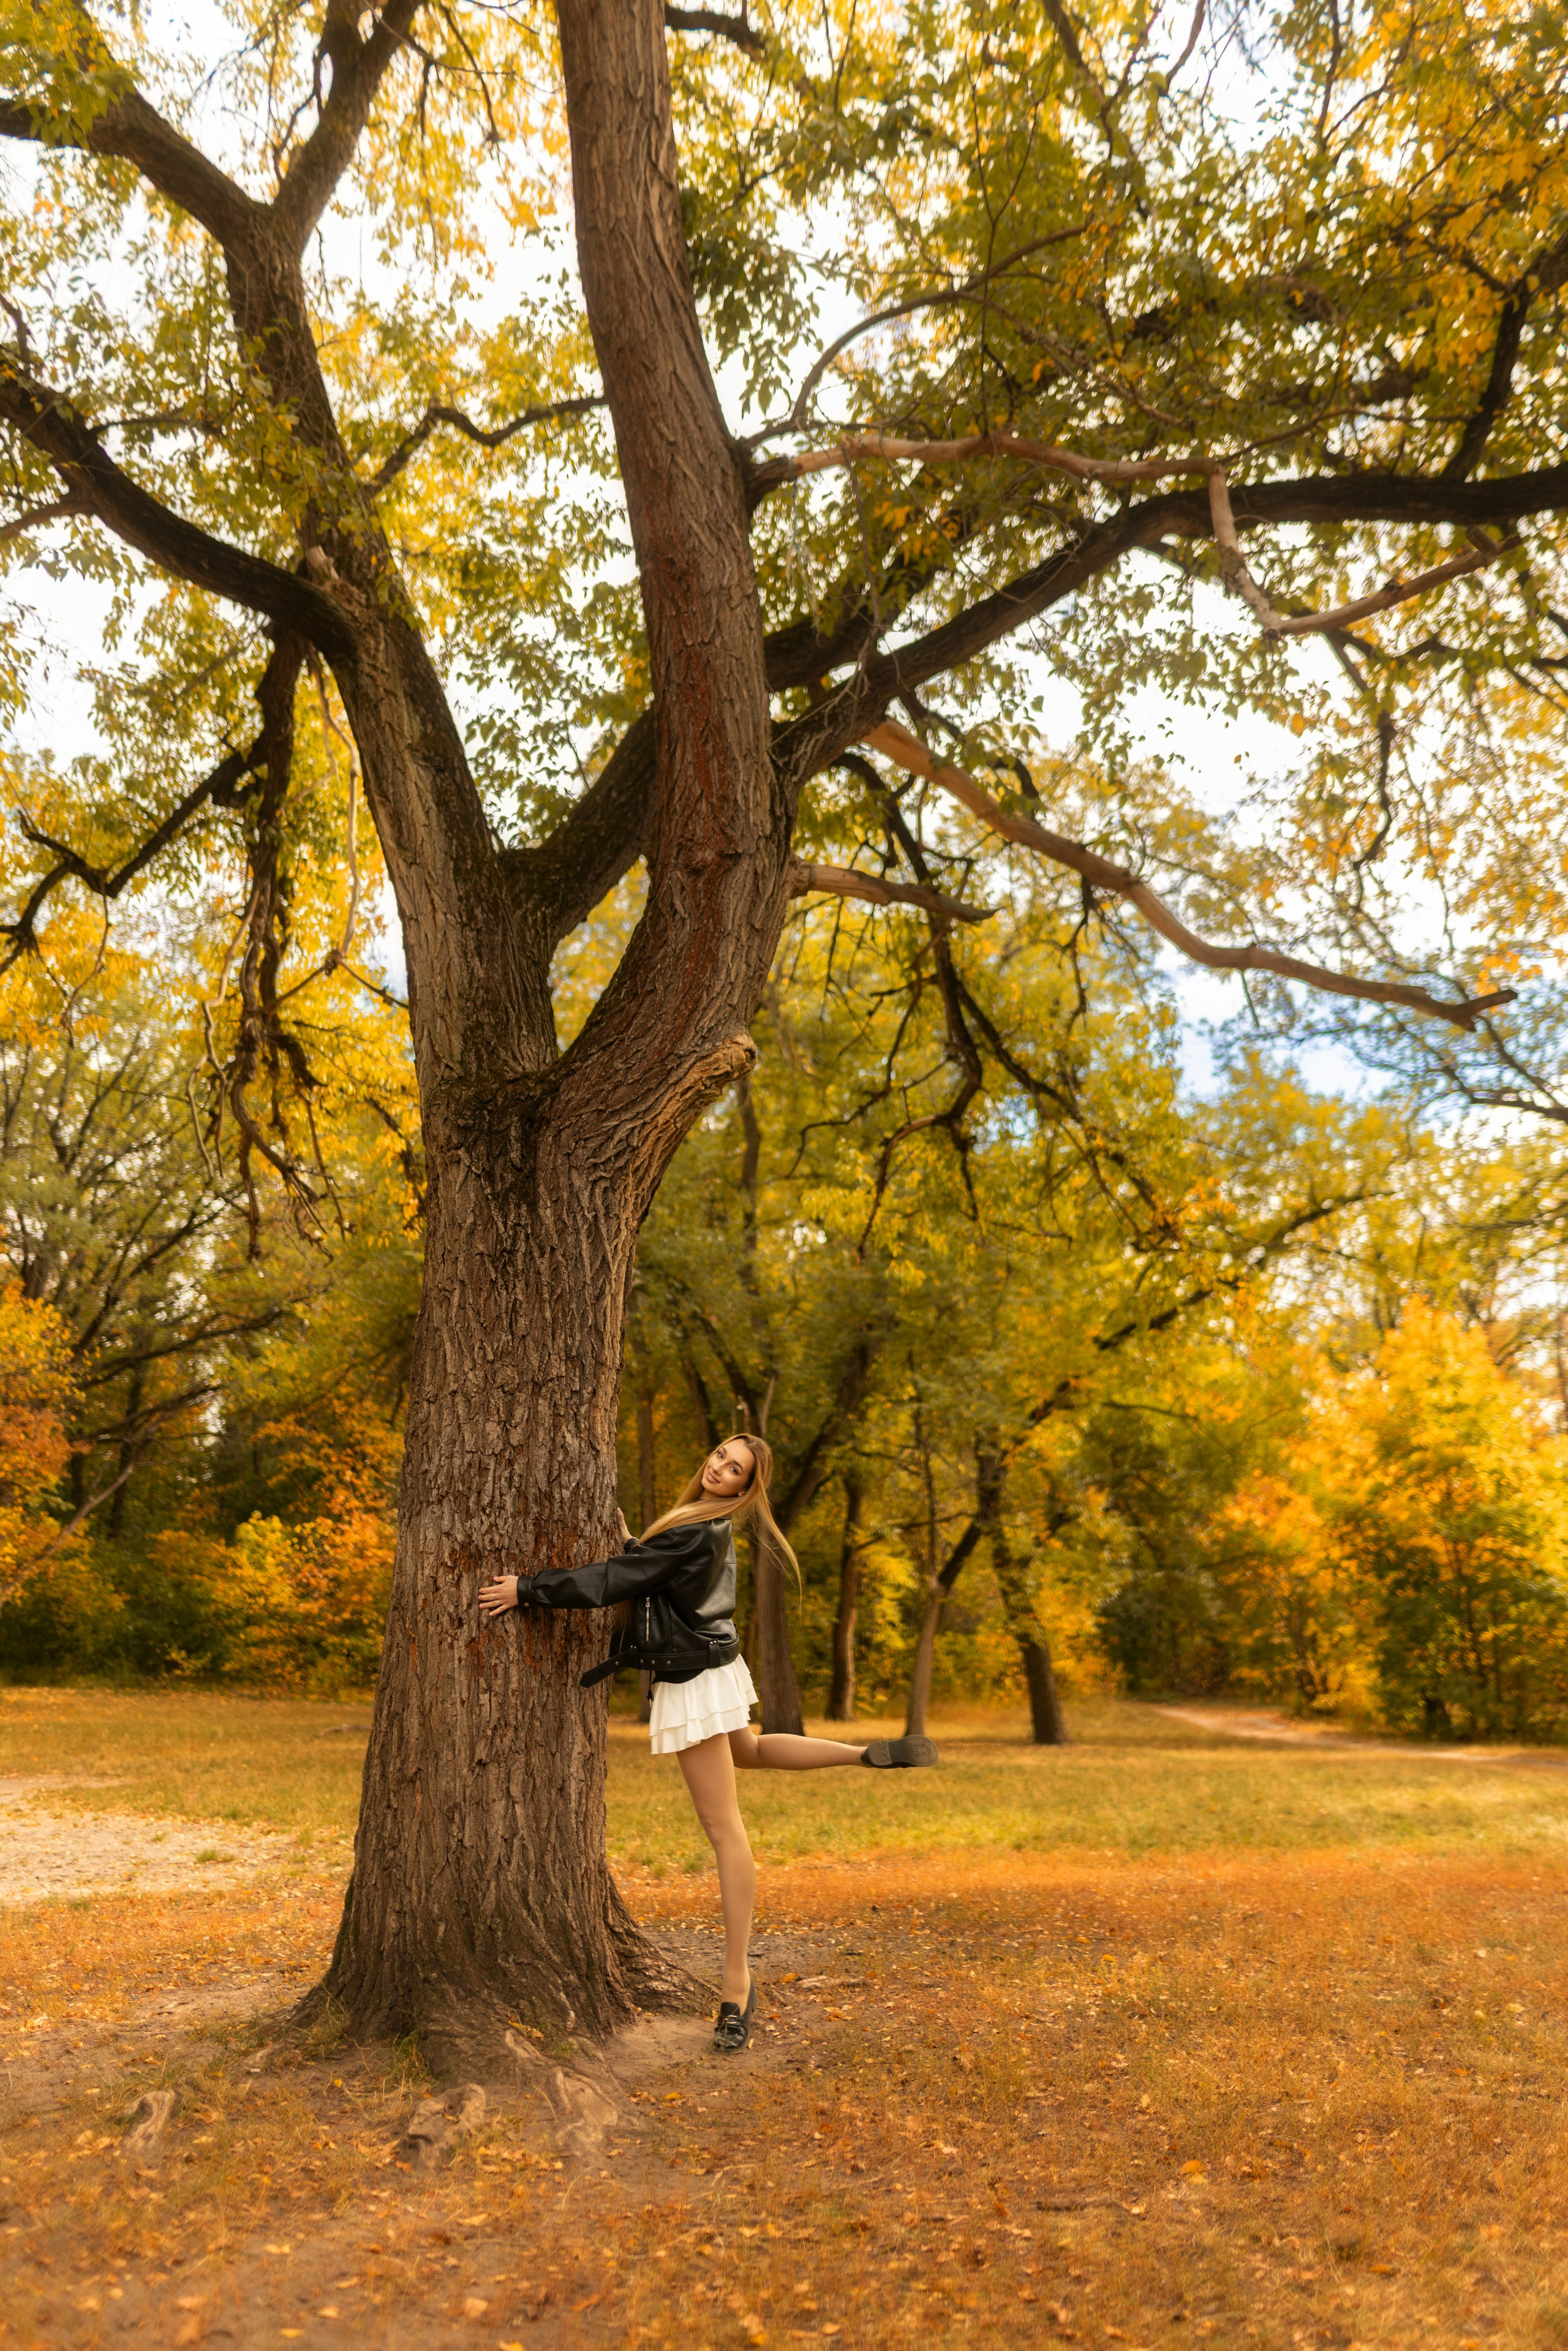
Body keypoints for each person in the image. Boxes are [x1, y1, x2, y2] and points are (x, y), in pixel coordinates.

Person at [478, 1435, 937, 2053]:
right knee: (747, 1751)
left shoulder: (699, 1528)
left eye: (735, 1470)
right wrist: (635, 1545)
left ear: (746, 1490)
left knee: (725, 1830)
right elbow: (657, 1572)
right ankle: (860, 1754)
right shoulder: (702, 1526)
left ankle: (736, 1982)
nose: (719, 1469)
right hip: (716, 1661)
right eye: (720, 1457)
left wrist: (530, 1589)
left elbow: (618, 1579)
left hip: (693, 1676)